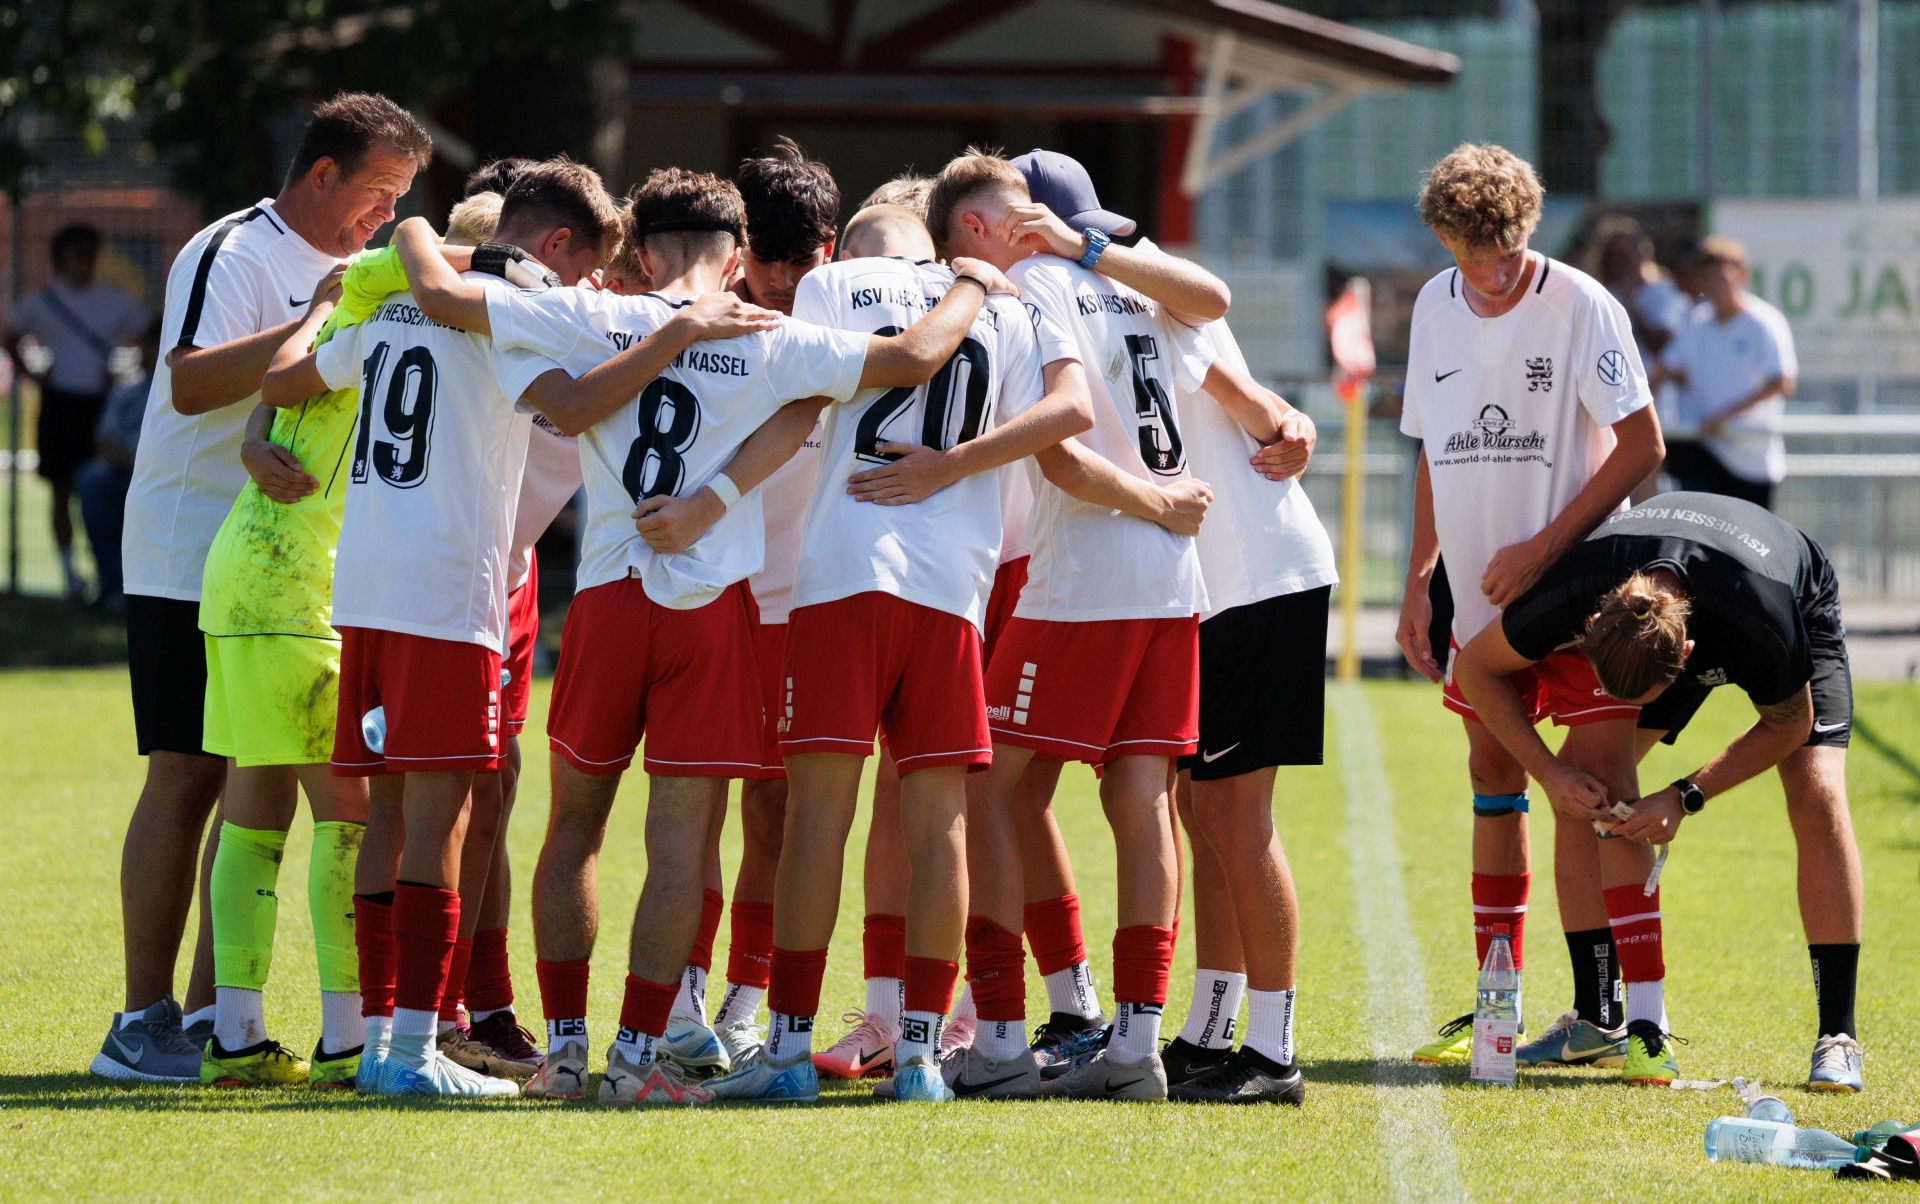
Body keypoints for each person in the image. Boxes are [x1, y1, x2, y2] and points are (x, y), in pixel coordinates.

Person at [427, 167, 1003, 1107]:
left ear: (641, 254)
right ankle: (637, 1059)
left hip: (609, 598)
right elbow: (912, 358)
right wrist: (972, 278)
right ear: (736, 259)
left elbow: (447, 294)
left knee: (573, 828)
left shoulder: (595, 314)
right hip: (710, 608)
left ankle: (566, 1053)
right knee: (681, 841)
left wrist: (418, 244)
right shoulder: (768, 336)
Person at [705, 197, 1092, 1105]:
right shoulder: (1004, 306)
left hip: (845, 574)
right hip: (952, 588)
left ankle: (787, 1051)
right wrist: (956, 467)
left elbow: (801, 411)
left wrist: (709, 502)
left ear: (847, 248)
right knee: (939, 822)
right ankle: (918, 1054)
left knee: (818, 817)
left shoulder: (833, 285)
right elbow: (1066, 413)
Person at [265, 157, 629, 1098]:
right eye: (588, 266)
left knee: (387, 814)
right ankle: (417, 1051)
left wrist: (324, 310)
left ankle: (381, 1038)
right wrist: (683, 334)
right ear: (555, 245)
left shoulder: (391, 302)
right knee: (443, 817)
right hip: (446, 594)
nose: (588, 286)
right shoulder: (521, 309)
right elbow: (576, 404)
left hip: (365, 588)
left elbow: (287, 380)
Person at [90, 92, 429, 1086]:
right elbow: (189, 382)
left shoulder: (358, 267)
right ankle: (139, 1022)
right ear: (322, 174)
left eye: (402, 198)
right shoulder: (233, 248)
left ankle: (213, 1017)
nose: (389, 214)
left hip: (286, 569)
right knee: (186, 772)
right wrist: (317, 320)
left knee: (258, 784)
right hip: (186, 548)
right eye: (379, 191)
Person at [930, 148, 1229, 1102]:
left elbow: (1060, 453)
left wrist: (1150, 501)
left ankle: (1001, 1039)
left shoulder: (1033, 288)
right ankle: (1133, 1049)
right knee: (1139, 801)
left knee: (983, 783)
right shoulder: (1132, 283)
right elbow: (1213, 300)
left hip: (1088, 576)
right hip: (1170, 581)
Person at [1391, 143, 1669, 1082]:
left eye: (1507, 253)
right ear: (1443, 242)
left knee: (1602, 789)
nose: (1494, 274)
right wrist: (1419, 576)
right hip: (1481, 603)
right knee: (1495, 775)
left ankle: (1624, 1017)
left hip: (1590, 600)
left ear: (1531, 228)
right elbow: (1432, 448)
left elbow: (1642, 447)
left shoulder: (1584, 304)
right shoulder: (1433, 306)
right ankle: (1495, 1001)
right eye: (1474, 257)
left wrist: (1546, 549)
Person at [1452, 491, 1864, 1092]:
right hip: (1657, 615)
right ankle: (1598, 1019)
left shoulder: (1760, 616)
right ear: (1590, 631)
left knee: (1816, 789)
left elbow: (1789, 724)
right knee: (1586, 787)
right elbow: (1475, 668)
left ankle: (1838, 1037)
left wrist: (1684, 795)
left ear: (1687, 657)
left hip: (1783, 597)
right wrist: (1550, 775)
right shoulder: (1578, 588)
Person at [194, 243, 411, 1090]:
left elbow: (273, 393)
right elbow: (294, 368)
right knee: (348, 814)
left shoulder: (329, 336)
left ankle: (236, 1038)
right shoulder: (373, 318)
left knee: (252, 811)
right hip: (296, 594)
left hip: (243, 580)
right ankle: (347, 1037)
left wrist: (254, 438)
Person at [1159, 314, 1332, 1105]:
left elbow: (1259, 409)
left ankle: (1273, 1051)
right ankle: (1209, 1031)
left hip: (1258, 578)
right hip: (1218, 584)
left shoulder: (1148, 289)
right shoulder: (1114, 293)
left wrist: (1287, 422)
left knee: (1235, 812)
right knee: (1201, 808)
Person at [705, 140, 843, 1075]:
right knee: (691, 803)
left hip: (808, 609)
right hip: (709, 597)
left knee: (778, 812)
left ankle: (747, 1002)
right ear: (735, 252)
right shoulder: (695, 324)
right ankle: (681, 1001)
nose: (785, 283)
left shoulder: (851, 324)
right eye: (768, 261)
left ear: (831, 251)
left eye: (804, 261)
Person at [6, 223, 148, 598]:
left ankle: (109, 574)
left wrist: (118, 371)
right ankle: (70, 574)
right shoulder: (43, 301)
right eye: (76, 254)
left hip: (99, 406)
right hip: (58, 403)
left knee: (100, 489)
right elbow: (11, 334)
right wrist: (31, 374)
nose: (84, 262)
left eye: (89, 254)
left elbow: (146, 337)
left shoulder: (113, 300)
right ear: (60, 259)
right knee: (60, 490)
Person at [1655, 235, 1795, 511]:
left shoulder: (1764, 322)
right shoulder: (1695, 323)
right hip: (1703, 452)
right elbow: (1664, 370)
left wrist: (1724, 417)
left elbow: (1781, 382)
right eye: (1708, 278)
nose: (1715, 286)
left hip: (1751, 460)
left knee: (1749, 538)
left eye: (1722, 277)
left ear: (1742, 275)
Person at [76, 317, 161, 611]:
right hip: (127, 474)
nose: (144, 352)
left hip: (169, 479)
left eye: (152, 345)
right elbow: (105, 442)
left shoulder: (191, 392)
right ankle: (114, 587)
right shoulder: (128, 391)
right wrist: (139, 457)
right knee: (93, 479)